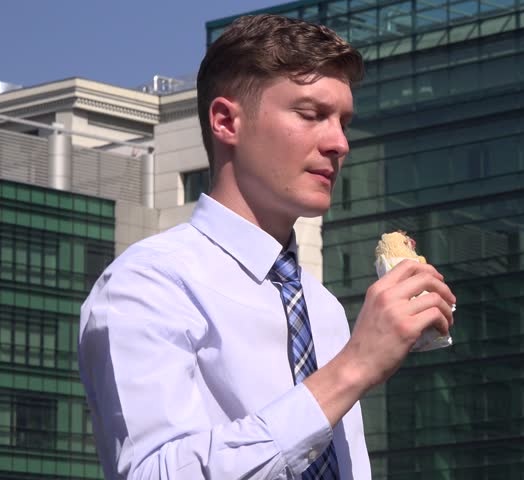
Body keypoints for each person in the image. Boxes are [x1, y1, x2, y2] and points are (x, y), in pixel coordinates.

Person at [78, 14, 455, 480]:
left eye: (343, 121)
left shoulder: (325, 308)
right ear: (226, 121)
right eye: (311, 114)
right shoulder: (148, 285)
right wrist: (354, 367)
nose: (339, 143)